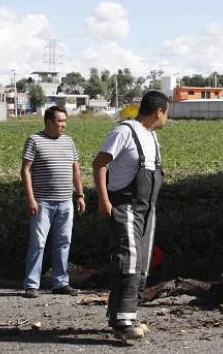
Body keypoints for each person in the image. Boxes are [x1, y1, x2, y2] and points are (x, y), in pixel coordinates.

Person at [92, 90, 169, 340]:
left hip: (147, 209)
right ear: (159, 111)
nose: (167, 117)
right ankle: (123, 325)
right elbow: (99, 163)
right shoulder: (124, 131)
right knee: (129, 259)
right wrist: (104, 201)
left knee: (143, 262)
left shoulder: (152, 136)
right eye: (167, 112)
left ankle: (126, 313)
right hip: (125, 206)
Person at [21, 106, 86, 298]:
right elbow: (25, 170)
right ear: (49, 121)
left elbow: (76, 170)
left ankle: (60, 283)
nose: (64, 124)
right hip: (43, 202)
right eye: (60, 121)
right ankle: (31, 285)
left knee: (63, 242)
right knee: (38, 243)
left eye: (65, 121)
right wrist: (31, 199)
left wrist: (80, 194)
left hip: (66, 201)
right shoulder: (34, 140)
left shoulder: (69, 142)